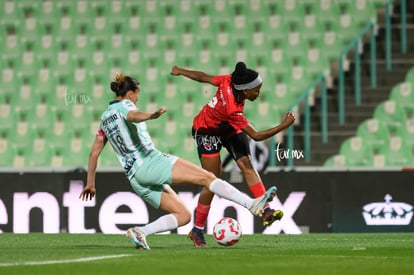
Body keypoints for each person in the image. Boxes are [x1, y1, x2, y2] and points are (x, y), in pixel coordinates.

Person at [79, 73, 278, 250]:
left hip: (135, 178)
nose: (137, 98)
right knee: (208, 178)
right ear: (130, 93)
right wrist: (149, 115)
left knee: (183, 215)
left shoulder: (105, 118)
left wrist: (90, 183)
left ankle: (140, 232)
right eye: (137, 94)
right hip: (149, 162)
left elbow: (94, 153)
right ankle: (251, 204)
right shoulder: (126, 105)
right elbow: (132, 115)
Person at [170, 62, 296, 247]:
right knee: (212, 180)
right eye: (256, 90)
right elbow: (256, 135)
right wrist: (283, 126)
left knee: (246, 164)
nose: (258, 92)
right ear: (244, 91)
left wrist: (181, 71)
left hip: (227, 127)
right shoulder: (232, 107)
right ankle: (197, 229)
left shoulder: (229, 80)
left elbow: (203, 77)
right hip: (207, 131)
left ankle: (266, 209)